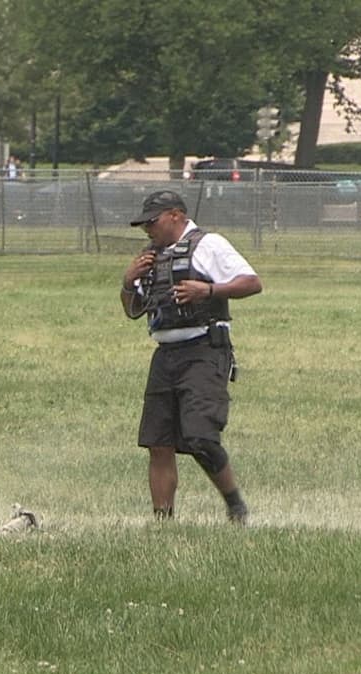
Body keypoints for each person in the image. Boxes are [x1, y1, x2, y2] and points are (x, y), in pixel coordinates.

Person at [121, 190, 262, 524]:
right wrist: (128, 281)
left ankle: (235, 505)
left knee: (200, 436)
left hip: (204, 350)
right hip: (165, 355)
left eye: (152, 222)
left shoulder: (208, 245)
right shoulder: (150, 256)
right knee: (158, 442)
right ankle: (163, 522)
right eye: (144, 225)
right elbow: (132, 310)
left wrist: (209, 290)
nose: (148, 230)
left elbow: (252, 283)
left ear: (175, 215)